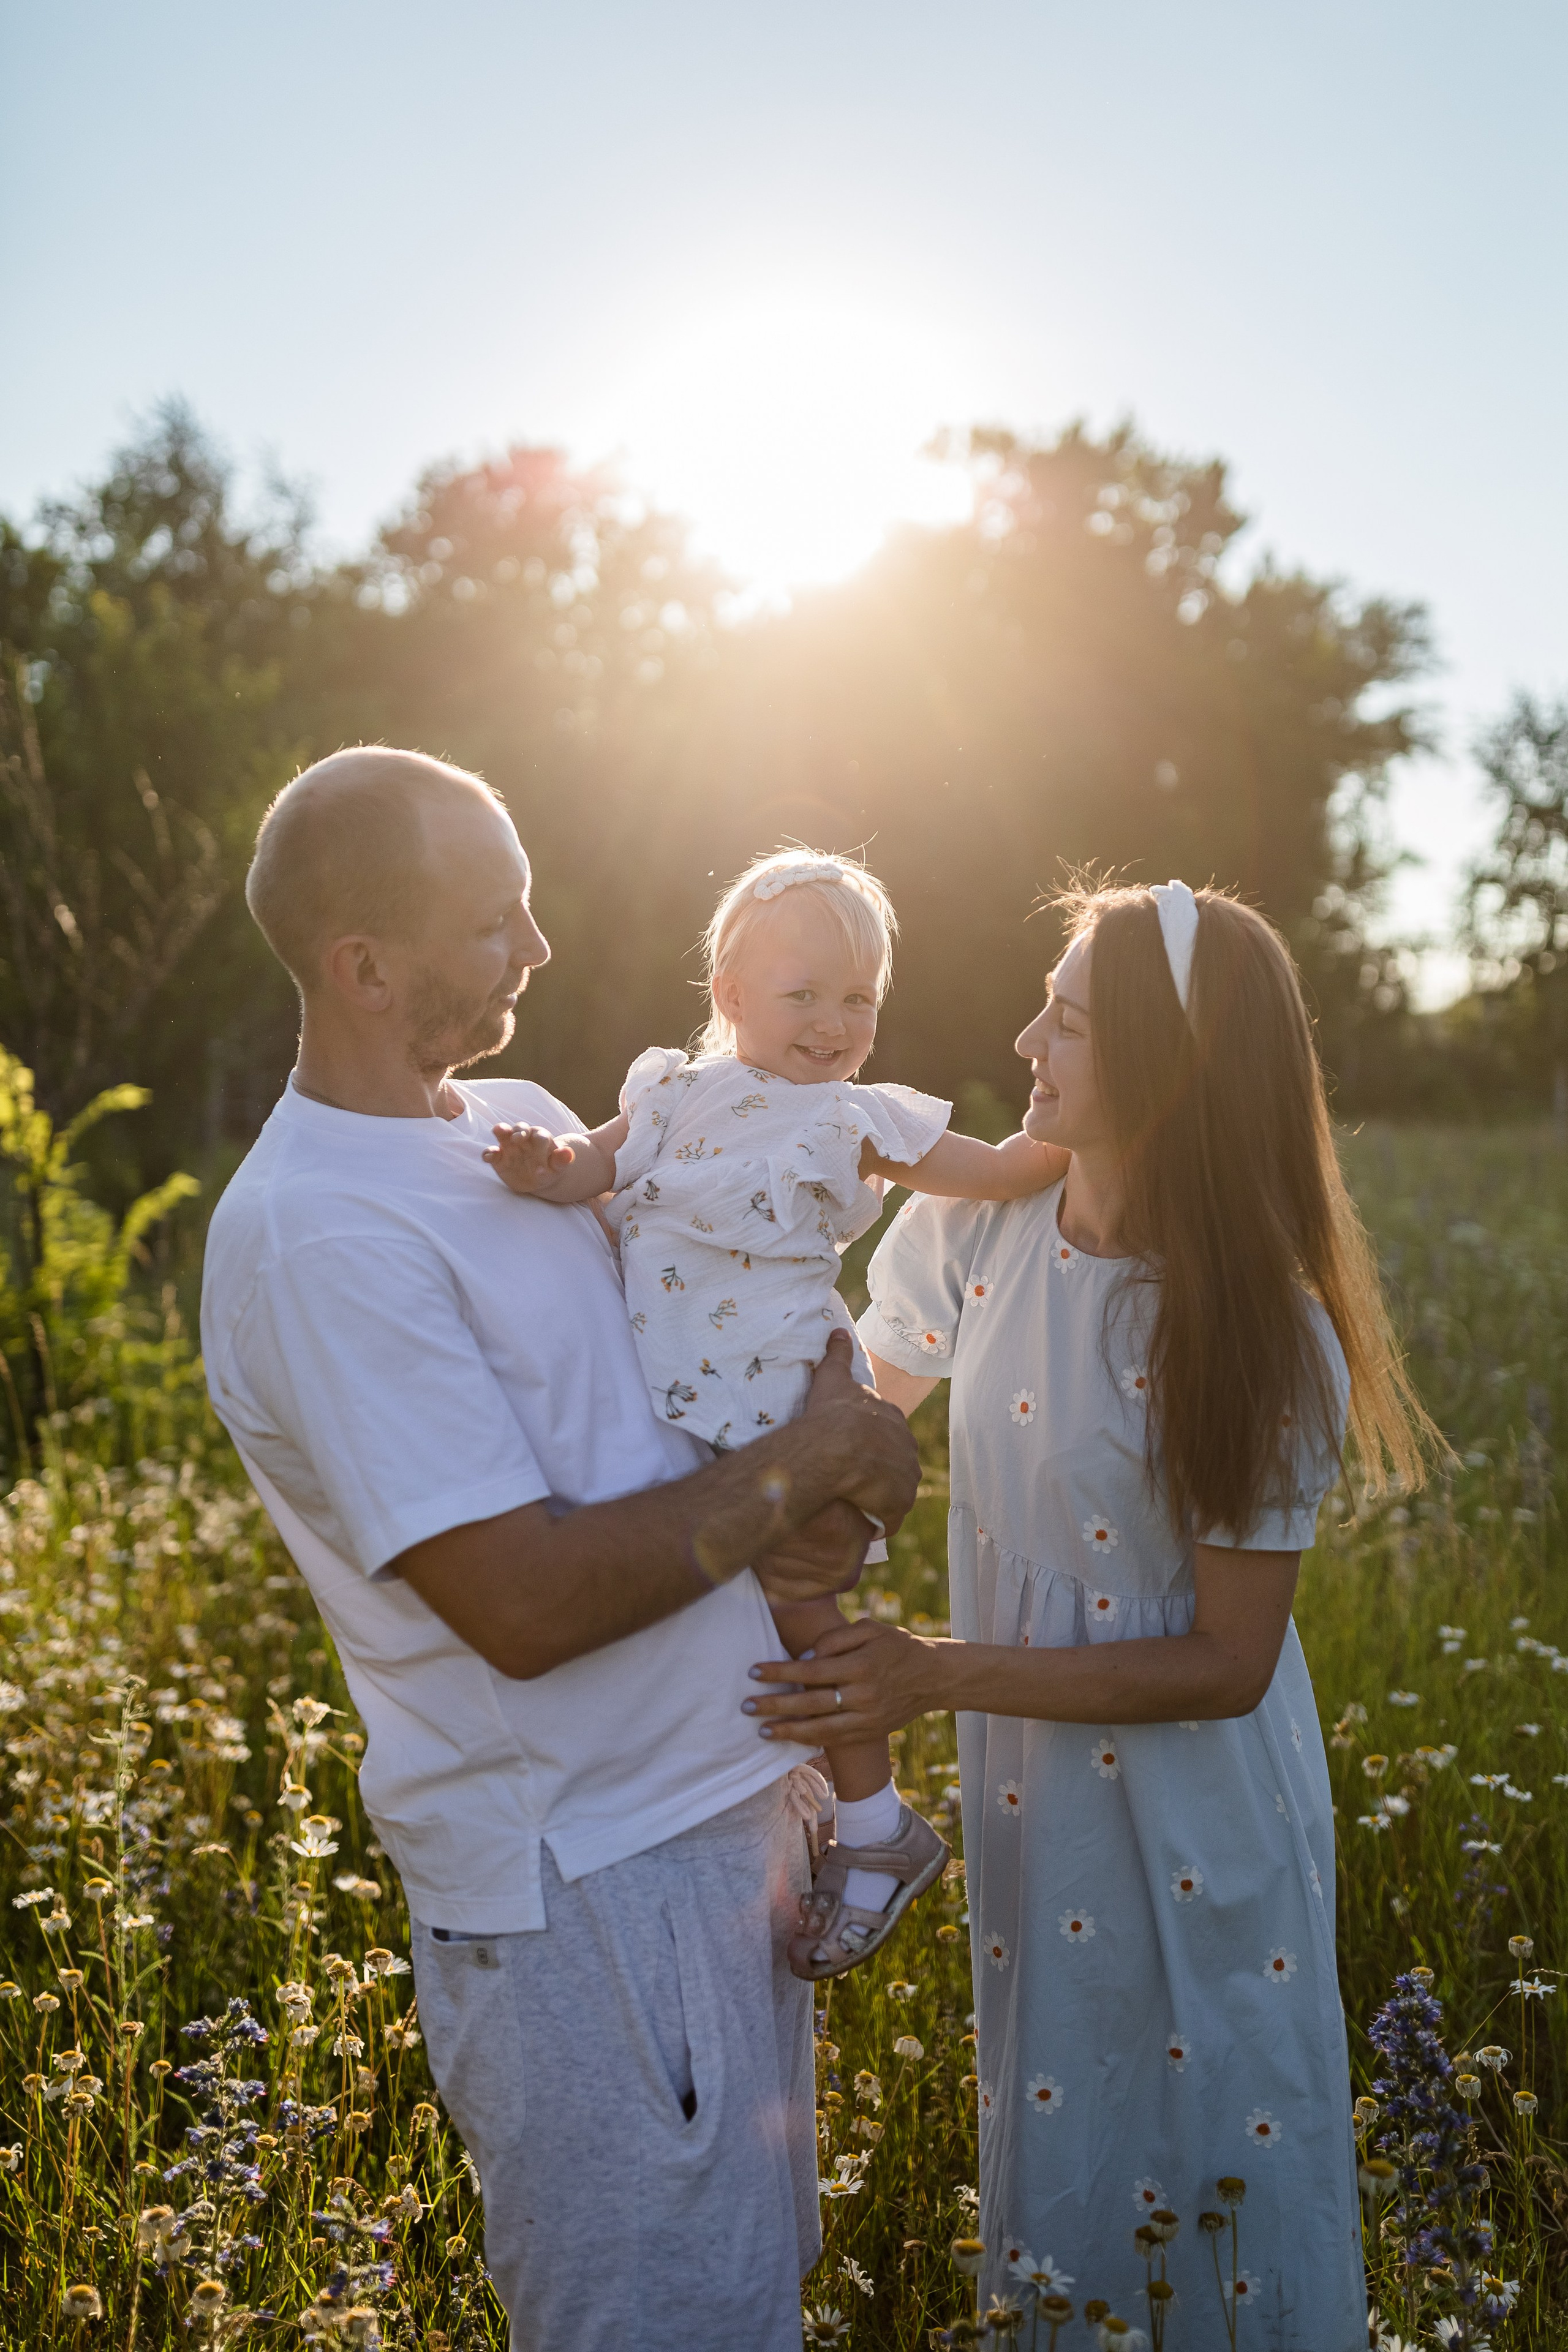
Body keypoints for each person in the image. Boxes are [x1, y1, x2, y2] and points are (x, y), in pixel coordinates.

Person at [198, 747, 923, 2352]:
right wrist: (822, 1454)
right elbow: (518, 1605)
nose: (538, 950)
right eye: (494, 923)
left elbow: (692, 1383)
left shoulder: (517, 1125)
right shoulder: (319, 1234)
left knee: (751, 2310)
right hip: (592, 1894)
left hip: (723, 1829)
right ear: (365, 968)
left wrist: (828, 1437)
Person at [743, 880, 1436, 2342]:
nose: (1021, 1038)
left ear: (1163, 1061)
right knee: (1064, 2134)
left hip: (1200, 1806)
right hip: (1033, 1782)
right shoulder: (977, 1235)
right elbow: (850, 1429)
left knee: (1221, 2141)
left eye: (1063, 1017)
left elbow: (1228, 1664)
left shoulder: (1254, 1327)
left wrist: (930, 1675)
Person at [488, 847, 1065, 1977]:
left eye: (859, 999)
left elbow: (997, 1171)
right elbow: (583, 1176)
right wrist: (536, 1163)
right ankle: (814, 1809)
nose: (833, 1022)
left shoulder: (855, 1121)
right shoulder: (664, 1092)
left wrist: (1097, 1123)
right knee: (694, 1602)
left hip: (775, 1395)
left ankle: (877, 1825)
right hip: (673, 1409)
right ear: (732, 999)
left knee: (799, 1608)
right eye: (804, 994)